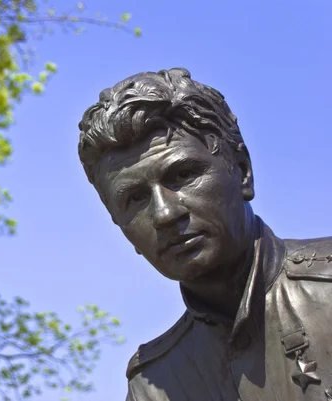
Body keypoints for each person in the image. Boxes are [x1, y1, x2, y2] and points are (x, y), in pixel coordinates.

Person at [77, 68, 332, 401]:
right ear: (120, 225)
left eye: (183, 174)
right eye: (135, 199)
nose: (165, 214)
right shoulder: (154, 385)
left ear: (242, 171)